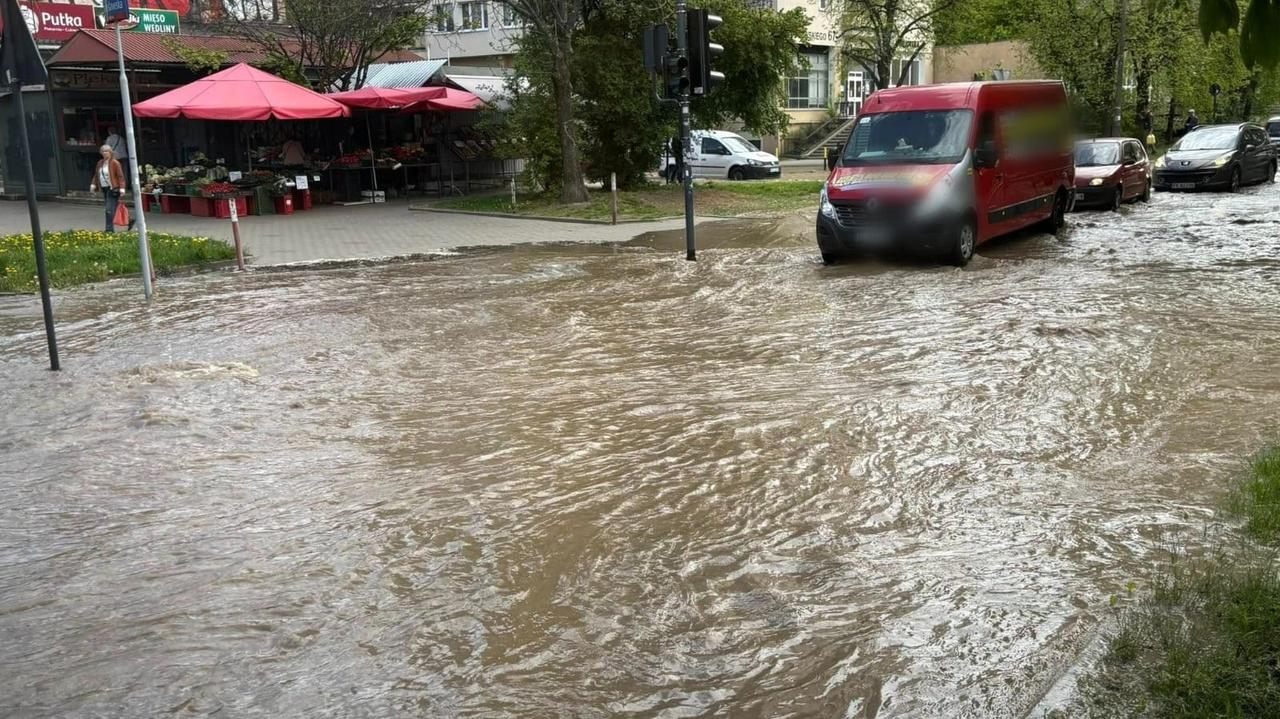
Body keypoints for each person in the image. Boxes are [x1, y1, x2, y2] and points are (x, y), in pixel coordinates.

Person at [90, 144, 128, 232]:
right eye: (103, 151)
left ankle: (109, 230)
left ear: (110, 152)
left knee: (109, 210)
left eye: (106, 151)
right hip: (104, 188)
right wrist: (93, 185)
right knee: (112, 209)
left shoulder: (115, 163)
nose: (105, 153)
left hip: (113, 189)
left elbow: (120, 176)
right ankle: (129, 220)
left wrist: (122, 188)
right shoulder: (100, 163)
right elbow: (96, 175)